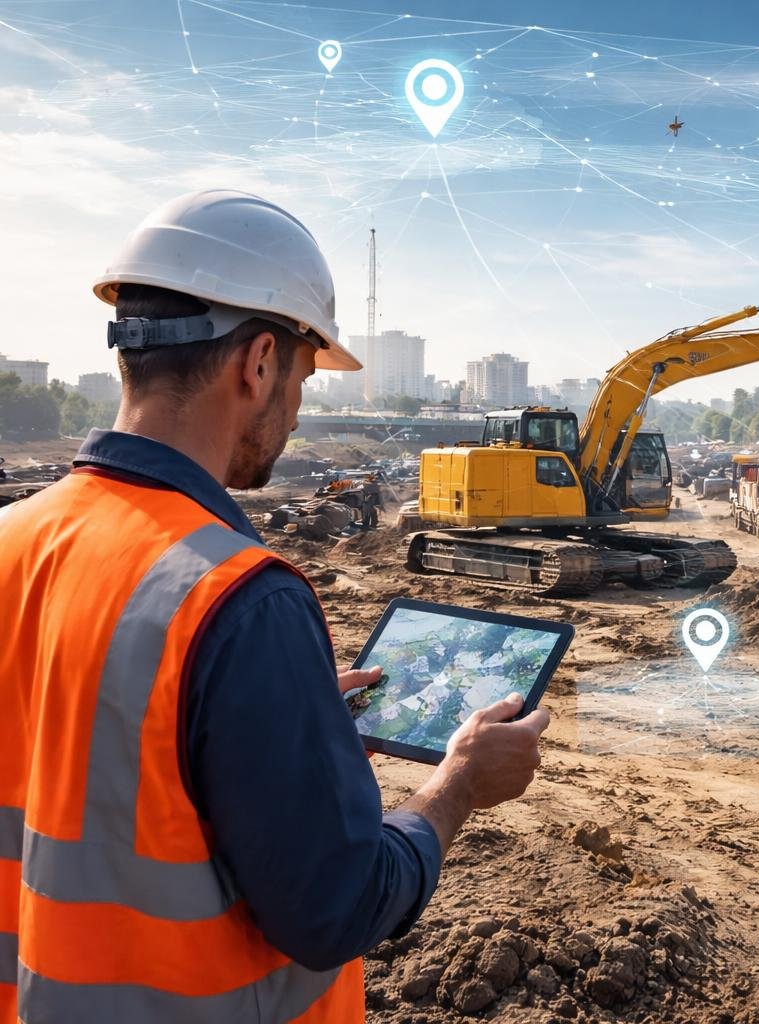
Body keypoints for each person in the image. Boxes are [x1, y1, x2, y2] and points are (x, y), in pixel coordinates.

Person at [0, 190, 550, 1022]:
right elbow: (340, 905)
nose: (296, 409)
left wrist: (267, 719)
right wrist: (460, 786)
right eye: (301, 378)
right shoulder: (239, 600)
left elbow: (103, 756)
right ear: (259, 363)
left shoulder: (13, 538)